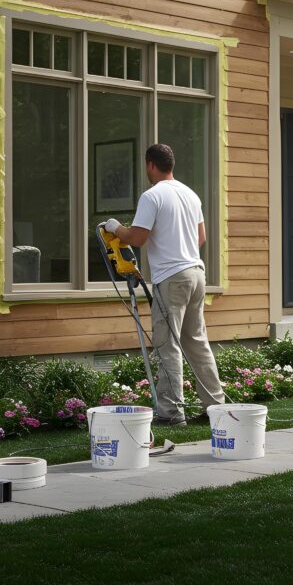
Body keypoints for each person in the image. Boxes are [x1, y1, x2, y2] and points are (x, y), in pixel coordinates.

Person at [103, 143, 225, 425]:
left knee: (166, 344)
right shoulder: (190, 194)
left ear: (150, 165)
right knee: (196, 343)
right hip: (196, 273)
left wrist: (114, 227)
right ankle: (214, 408)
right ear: (171, 165)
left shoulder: (152, 196)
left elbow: (137, 238)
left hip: (172, 279)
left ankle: (170, 412)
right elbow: (201, 238)